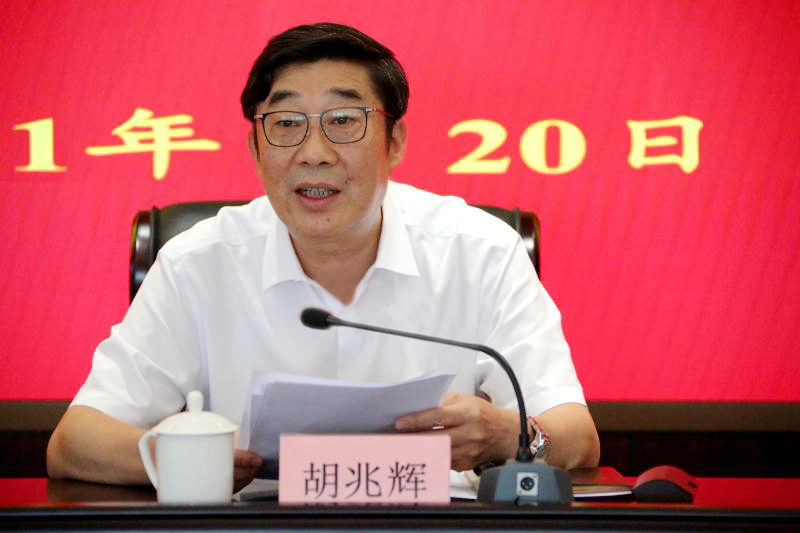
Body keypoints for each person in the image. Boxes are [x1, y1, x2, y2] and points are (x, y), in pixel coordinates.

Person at [47, 22, 599, 491]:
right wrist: (187, 459)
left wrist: (509, 436)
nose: (314, 153)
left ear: (395, 141)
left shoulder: (481, 252)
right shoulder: (197, 264)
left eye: (343, 121)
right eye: (287, 124)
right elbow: (75, 442)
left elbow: (577, 435)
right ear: (255, 148)